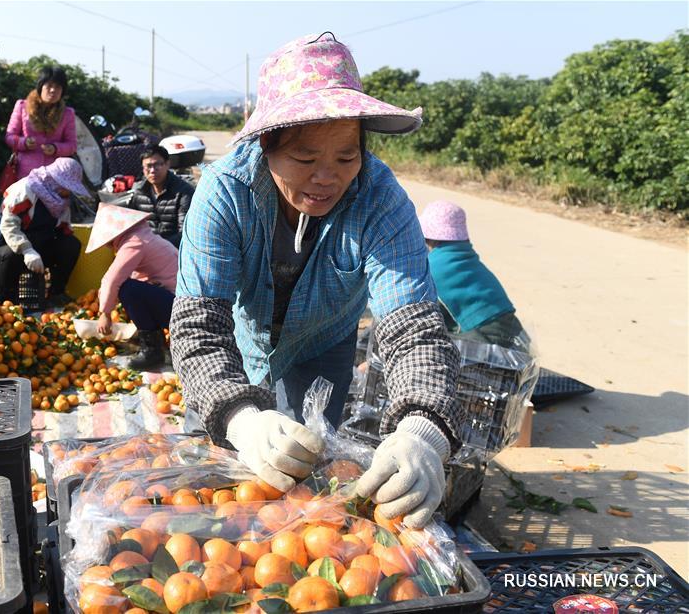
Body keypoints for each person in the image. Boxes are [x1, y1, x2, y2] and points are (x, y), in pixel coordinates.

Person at [170, 33, 463, 528]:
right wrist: (240, 419)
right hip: (243, 344)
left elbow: (414, 328)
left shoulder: (381, 202)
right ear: (267, 145)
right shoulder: (224, 195)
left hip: (325, 342)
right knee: (216, 490)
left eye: (346, 158)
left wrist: (422, 429)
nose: (326, 177)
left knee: (307, 477)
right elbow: (199, 328)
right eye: (305, 159)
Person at [419, 200, 529, 350]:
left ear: (428, 238)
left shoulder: (432, 267)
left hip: (488, 341)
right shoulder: (466, 257)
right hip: (516, 335)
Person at [86, 203, 178, 370]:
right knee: (129, 288)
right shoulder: (142, 236)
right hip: (177, 301)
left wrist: (105, 313)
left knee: (127, 289)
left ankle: (152, 351)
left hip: (178, 308)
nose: (108, 246)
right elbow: (133, 276)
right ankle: (154, 343)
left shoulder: (134, 242)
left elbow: (113, 279)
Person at [0, 158, 85, 308]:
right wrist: (26, 250)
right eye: (67, 186)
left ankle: (56, 293)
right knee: (10, 255)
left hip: (39, 247)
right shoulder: (25, 189)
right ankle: (8, 303)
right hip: (7, 250)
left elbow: (63, 229)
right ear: (56, 181)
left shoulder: (61, 200)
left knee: (71, 244)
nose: (69, 191)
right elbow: (8, 226)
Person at [5, 66, 77, 180]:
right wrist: (24, 143)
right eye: (49, 86)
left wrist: (55, 148)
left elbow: (72, 146)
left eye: (58, 87)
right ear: (40, 86)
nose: (53, 90)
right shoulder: (22, 106)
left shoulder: (68, 114)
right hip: (24, 177)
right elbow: (9, 137)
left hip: (54, 176)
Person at [125, 145, 195, 248]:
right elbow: (131, 226)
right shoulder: (139, 191)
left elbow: (186, 234)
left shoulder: (184, 192)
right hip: (147, 249)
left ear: (167, 164)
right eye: (148, 166)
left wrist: (157, 247)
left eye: (157, 165)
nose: (152, 171)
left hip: (175, 251)